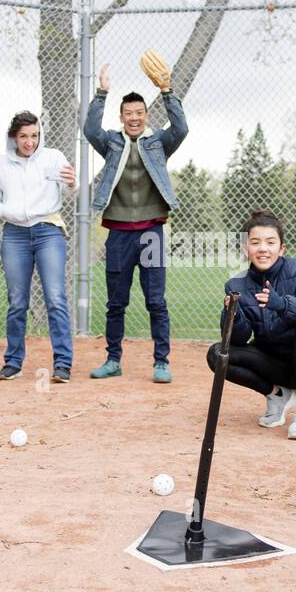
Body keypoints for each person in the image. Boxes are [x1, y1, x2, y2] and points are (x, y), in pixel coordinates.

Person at [83, 54, 188, 383]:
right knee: (116, 302)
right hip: (118, 234)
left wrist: (168, 90)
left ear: (146, 115)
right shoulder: (111, 143)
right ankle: (113, 360)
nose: (134, 118)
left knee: (155, 299)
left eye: (139, 113)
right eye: (128, 113)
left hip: (151, 233)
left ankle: (162, 362)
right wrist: (101, 93)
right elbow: (89, 128)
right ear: (122, 116)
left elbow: (182, 128)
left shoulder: (157, 142)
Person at [213, 210, 296, 441]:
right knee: (217, 354)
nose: (263, 248)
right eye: (255, 242)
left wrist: (280, 303)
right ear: (245, 249)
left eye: (270, 242)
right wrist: (232, 313)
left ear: (281, 248)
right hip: (274, 364)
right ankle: (277, 394)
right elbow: (239, 340)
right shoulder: (236, 284)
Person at [0, 111, 77, 383]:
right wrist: (8, 212)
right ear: (14, 137)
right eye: (24, 136)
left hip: (48, 231)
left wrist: (72, 183)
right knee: (17, 301)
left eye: (34, 135)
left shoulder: (53, 157)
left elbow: (71, 190)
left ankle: (62, 364)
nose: (29, 142)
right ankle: (13, 362)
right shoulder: (1, 164)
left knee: (56, 298)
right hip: (14, 235)